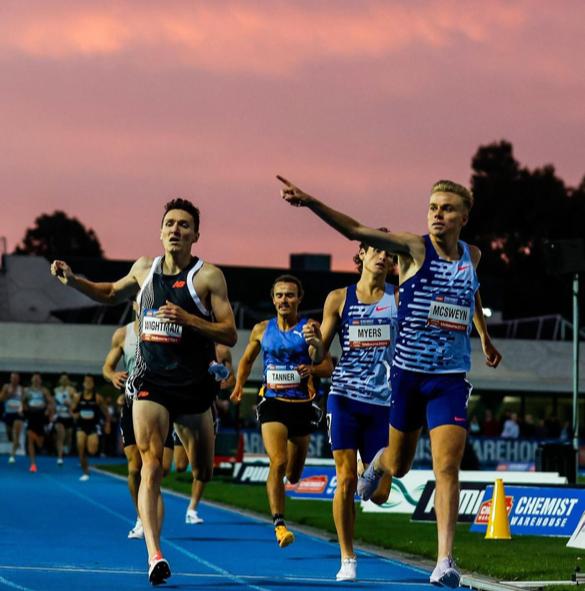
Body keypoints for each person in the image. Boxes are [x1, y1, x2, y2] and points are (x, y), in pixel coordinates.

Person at [279, 176, 502, 587]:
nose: (437, 214)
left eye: (447, 209)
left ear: (464, 217)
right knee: (397, 465)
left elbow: (472, 294)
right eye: (433, 207)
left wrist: (484, 337)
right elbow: (356, 231)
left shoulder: (472, 255)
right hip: (407, 379)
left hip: (449, 379)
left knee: (447, 466)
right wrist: (311, 201)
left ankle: (445, 561)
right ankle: (379, 461)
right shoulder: (414, 249)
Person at [51, 197, 237, 585]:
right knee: (151, 463)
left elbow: (230, 333)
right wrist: (74, 280)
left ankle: (200, 443)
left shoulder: (208, 277)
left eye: (184, 225)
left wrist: (188, 318)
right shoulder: (143, 270)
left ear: (196, 235)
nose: (176, 230)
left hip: (194, 387)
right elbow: (107, 293)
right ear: (160, 230)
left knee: (201, 468)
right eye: (170, 223)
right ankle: (155, 554)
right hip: (150, 382)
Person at [230, 275, 331, 548]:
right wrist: (239, 385)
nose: (284, 300)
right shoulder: (262, 329)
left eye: (290, 295)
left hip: (302, 405)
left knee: (295, 474)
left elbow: (327, 365)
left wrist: (315, 355)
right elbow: (247, 360)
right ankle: (279, 524)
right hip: (273, 401)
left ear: (299, 299)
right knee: (278, 461)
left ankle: (286, 491)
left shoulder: (310, 328)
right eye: (280, 295)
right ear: (273, 299)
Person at [319, 241, 398, 581]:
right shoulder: (339, 298)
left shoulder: (400, 298)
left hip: (383, 403)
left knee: (380, 493)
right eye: (376, 250)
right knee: (346, 480)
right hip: (345, 397)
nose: (383, 256)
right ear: (362, 254)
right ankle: (347, 558)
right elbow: (318, 354)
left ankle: (373, 468)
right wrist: (310, 342)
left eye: (390, 253)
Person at [102, 305, 175, 540]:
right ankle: (142, 516)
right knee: (135, 469)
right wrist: (112, 375)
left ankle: (150, 522)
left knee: (157, 469)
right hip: (133, 405)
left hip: (163, 402)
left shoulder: (169, 329)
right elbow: (107, 367)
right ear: (135, 304)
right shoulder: (123, 334)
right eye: (141, 299)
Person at [177, 344, 236, 526]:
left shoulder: (223, 351)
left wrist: (219, 382)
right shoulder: (186, 340)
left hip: (207, 407)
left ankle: (192, 509)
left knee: (204, 465)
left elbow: (231, 379)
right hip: (182, 406)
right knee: (179, 465)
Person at [71, 375, 110, 481]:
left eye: (90, 382)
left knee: (92, 450)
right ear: (83, 384)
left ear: (93, 384)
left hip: (93, 426)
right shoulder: (78, 397)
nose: (88, 383)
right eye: (86, 381)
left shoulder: (97, 398)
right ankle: (85, 471)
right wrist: (74, 415)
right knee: (81, 447)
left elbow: (106, 412)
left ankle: (87, 458)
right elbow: (72, 409)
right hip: (81, 426)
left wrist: (107, 424)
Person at [24, 373, 54, 473]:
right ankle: (33, 464)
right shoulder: (27, 391)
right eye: (34, 378)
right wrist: (24, 408)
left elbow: (51, 402)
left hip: (41, 416)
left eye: (38, 378)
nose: (36, 380)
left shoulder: (44, 391)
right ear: (32, 380)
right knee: (30, 439)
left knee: (40, 443)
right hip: (32, 415)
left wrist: (49, 410)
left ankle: (38, 441)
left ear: (40, 380)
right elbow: (22, 402)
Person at [1, 372, 25, 463]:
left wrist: (22, 410)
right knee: (10, 435)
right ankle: (15, 443)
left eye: (16, 378)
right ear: (10, 379)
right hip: (8, 413)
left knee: (16, 433)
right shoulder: (6, 387)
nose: (14, 380)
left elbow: (22, 400)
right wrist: (8, 394)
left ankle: (12, 455)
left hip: (18, 414)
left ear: (18, 379)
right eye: (13, 378)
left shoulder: (21, 389)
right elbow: (1, 399)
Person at [53, 373, 77, 465]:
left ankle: (66, 446)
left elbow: (75, 402)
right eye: (62, 379)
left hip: (69, 417)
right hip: (59, 416)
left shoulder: (72, 390)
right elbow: (53, 403)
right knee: (60, 436)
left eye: (65, 379)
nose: (64, 380)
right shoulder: (56, 390)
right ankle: (59, 457)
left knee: (68, 437)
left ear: (68, 381)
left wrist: (70, 404)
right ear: (59, 380)